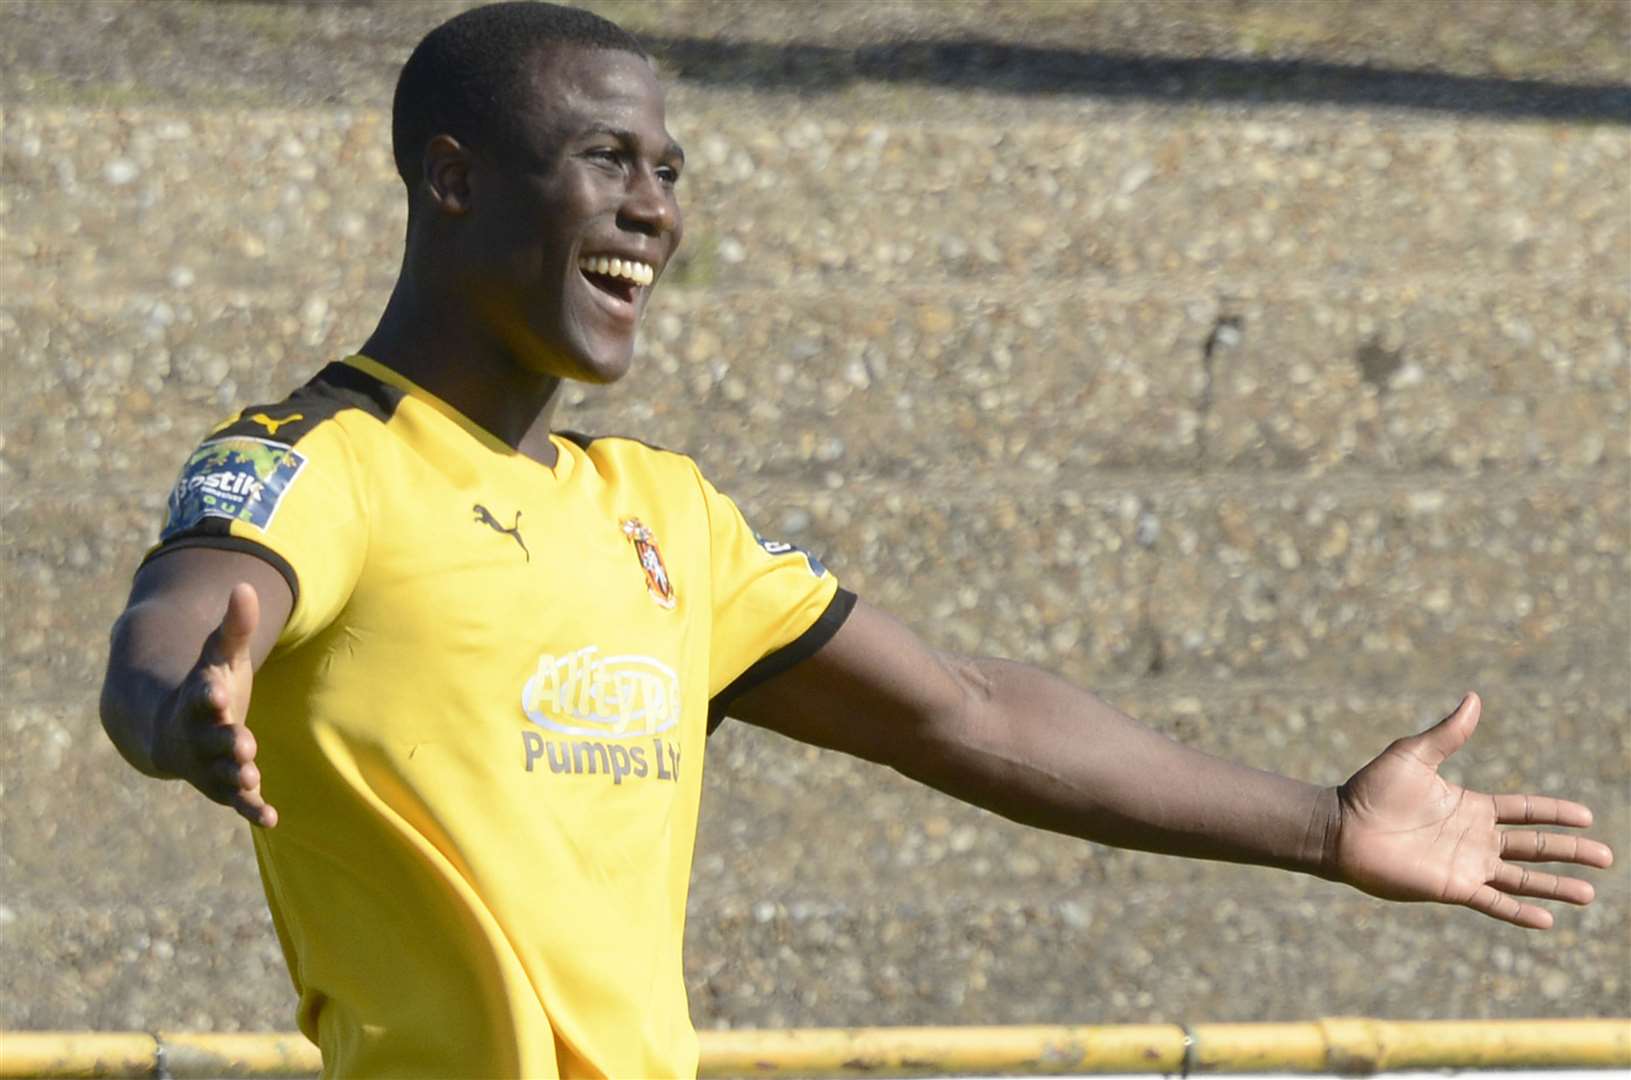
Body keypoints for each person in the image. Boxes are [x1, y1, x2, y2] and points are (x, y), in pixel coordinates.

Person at [98, 3, 1614, 1077]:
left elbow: (964, 711)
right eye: (606, 159)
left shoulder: (662, 516)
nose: (652, 206)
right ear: (453, 178)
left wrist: (1326, 827)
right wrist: (185, 712)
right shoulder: (322, 463)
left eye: (669, 168)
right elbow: (181, 624)